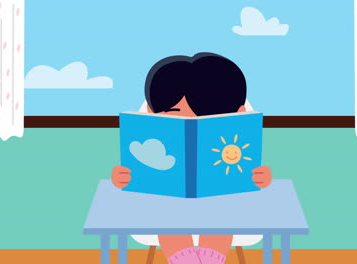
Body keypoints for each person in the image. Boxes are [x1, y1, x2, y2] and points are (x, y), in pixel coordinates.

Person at [111, 52, 272, 264]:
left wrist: (262, 177)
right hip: (166, 203)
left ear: (239, 113)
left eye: (206, 113)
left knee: (220, 223)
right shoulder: (147, 139)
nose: (191, 119)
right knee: (168, 224)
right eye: (176, 111)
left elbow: (251, 172)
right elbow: (134, 175)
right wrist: (121, 177)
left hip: (222, 203)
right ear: (151, 111)